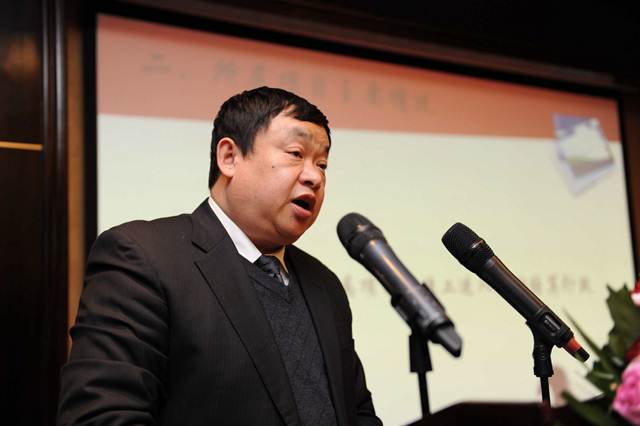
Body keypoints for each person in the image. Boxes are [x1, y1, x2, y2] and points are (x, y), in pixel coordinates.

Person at [58, 87, 382, 426]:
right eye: (295, 153)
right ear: (229, 157)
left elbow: (358, 413)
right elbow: (101, 416)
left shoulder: (324, 284)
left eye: (322, 164)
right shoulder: (142, 257)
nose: (314, 176)